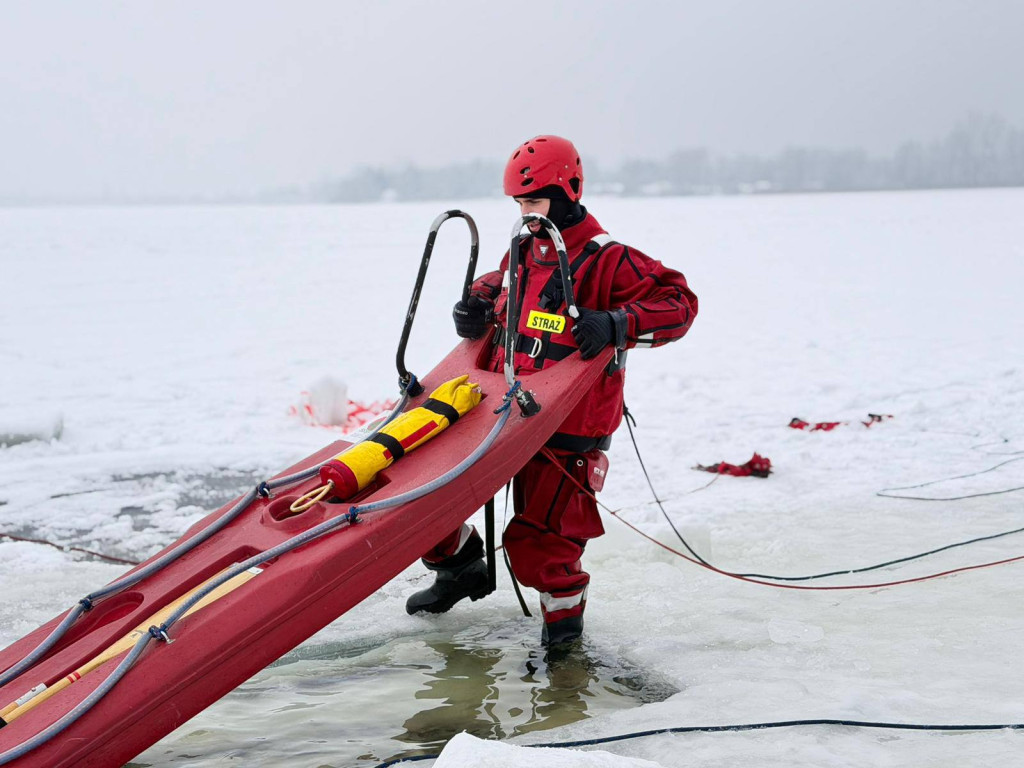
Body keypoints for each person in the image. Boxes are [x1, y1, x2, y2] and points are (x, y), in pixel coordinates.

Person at [406, 135, 698, 646]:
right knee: (425, 498)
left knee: (542, 546)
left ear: (568, 193)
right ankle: (460, 568)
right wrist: (475, 304)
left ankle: (564, 644)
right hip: (498, 409)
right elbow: (500, 282)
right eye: (519, 204)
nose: (527, 214)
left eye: (536, 202)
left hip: (567, 426)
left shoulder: (610, 260)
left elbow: (679, 303)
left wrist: (617, 323)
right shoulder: (522, 250)